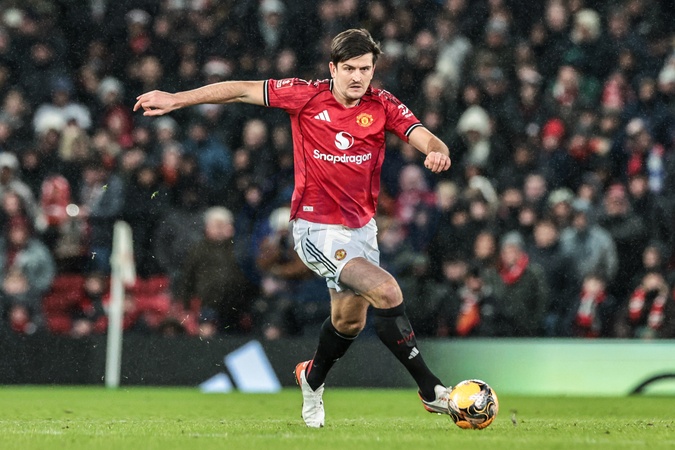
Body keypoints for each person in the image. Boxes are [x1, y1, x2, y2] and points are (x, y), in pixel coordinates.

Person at [135, 28, 452, 428]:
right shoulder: (305, 95)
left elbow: (426, 137)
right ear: (333, 69)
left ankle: (311, 378)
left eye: (365, 69)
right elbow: (240, 90)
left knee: (349, 323)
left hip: (361, 231)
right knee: (387, 291)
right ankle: (431, 390)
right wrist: (178, 98)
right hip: (315, 228)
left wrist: (437, 152)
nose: (358, 77)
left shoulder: (383, 104)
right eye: (350, 69)